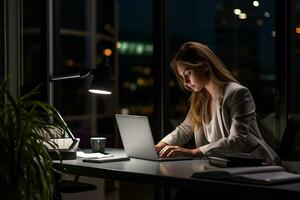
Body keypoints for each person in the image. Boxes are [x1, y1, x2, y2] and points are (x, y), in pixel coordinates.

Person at [155, 41, 279, 165]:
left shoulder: (237, 93)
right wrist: (159, 146)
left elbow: (236, 141)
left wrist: (193, 152)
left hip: (257, 166)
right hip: (226, 164)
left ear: (204, 66)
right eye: (182, 77)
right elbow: (185, 129)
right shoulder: (201, 98)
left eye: (188, 73)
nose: (185, 81)